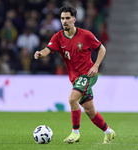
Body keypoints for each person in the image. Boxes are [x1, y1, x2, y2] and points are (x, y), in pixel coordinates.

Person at [34, 6, 115, 144]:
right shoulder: (58, 37)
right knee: (90, 111)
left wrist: (96, 66)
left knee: (72, 100)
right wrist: (41, 53)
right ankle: (109, 132)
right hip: (75, 78)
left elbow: (102, 48)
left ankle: (75, 133)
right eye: (62, 18)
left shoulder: (86, 35)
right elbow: (48, 49)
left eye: (67, 18)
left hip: (88, 74)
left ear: (74, 19)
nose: (64, 21)